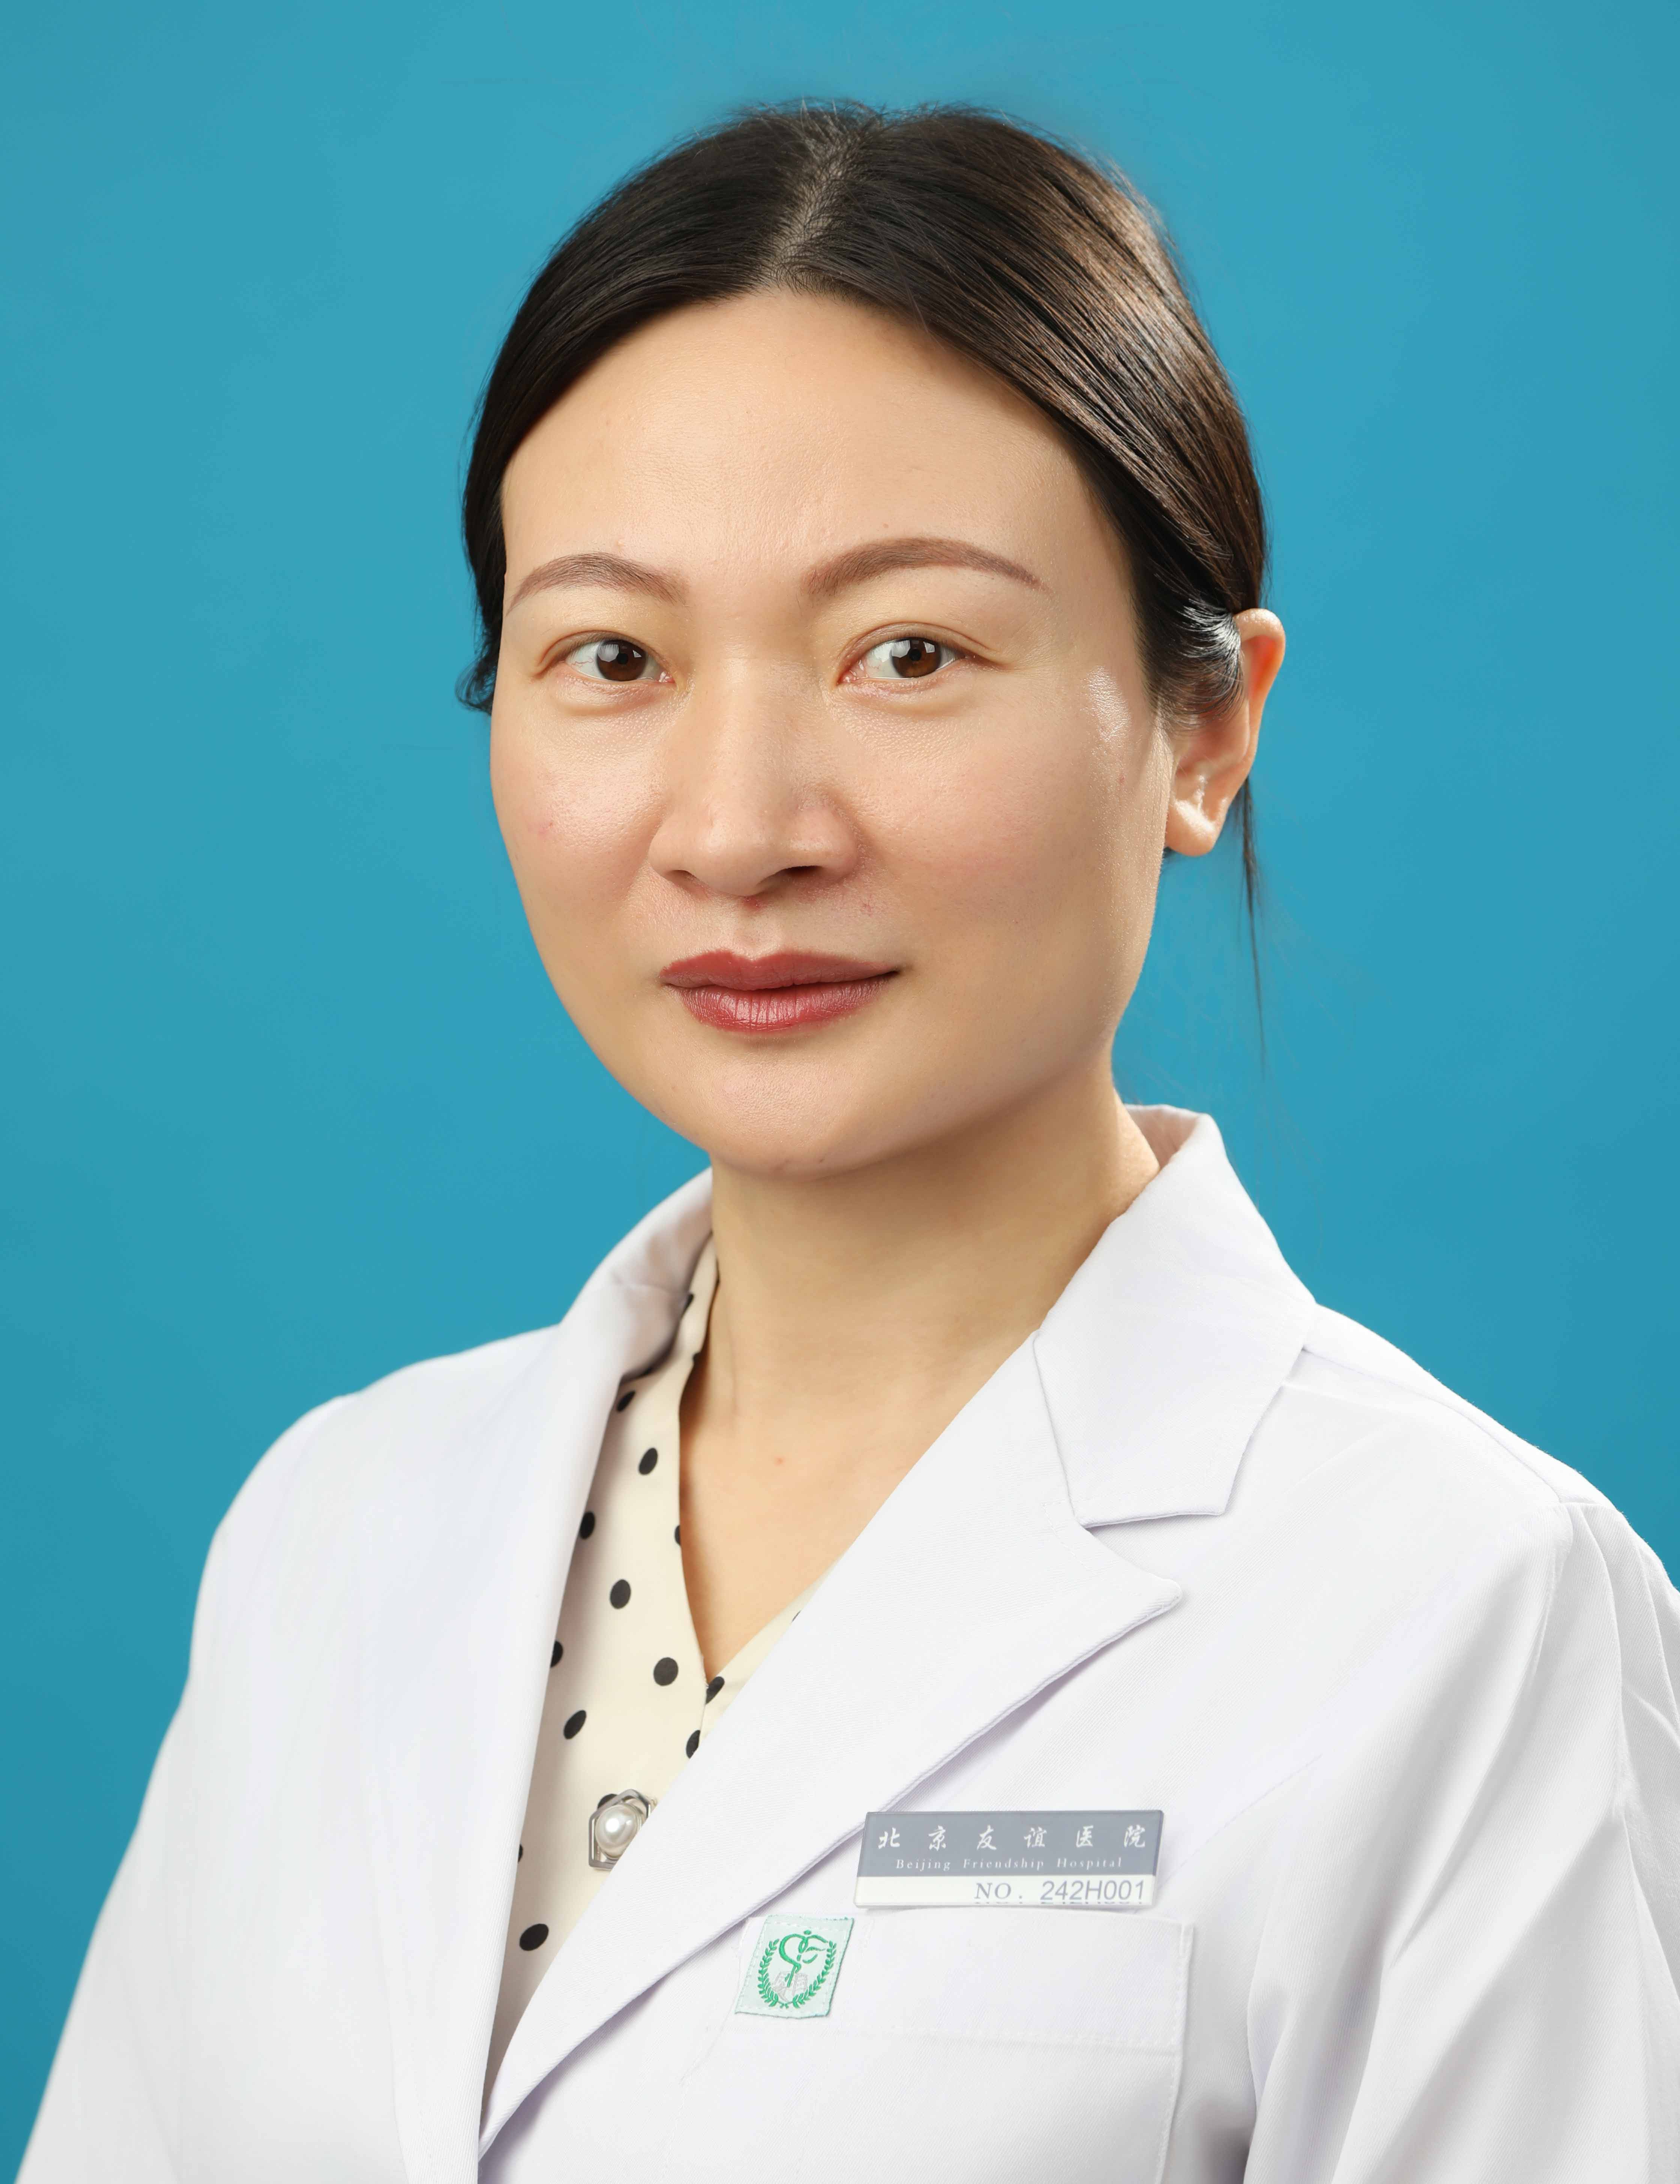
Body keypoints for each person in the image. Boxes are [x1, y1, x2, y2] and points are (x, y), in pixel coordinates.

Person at [22, 102, 1679, 2184]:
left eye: (911, 653)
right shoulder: (335, 1534)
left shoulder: (1462, 1610)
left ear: (1205, 732)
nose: (740, 829)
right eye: (613, 657)